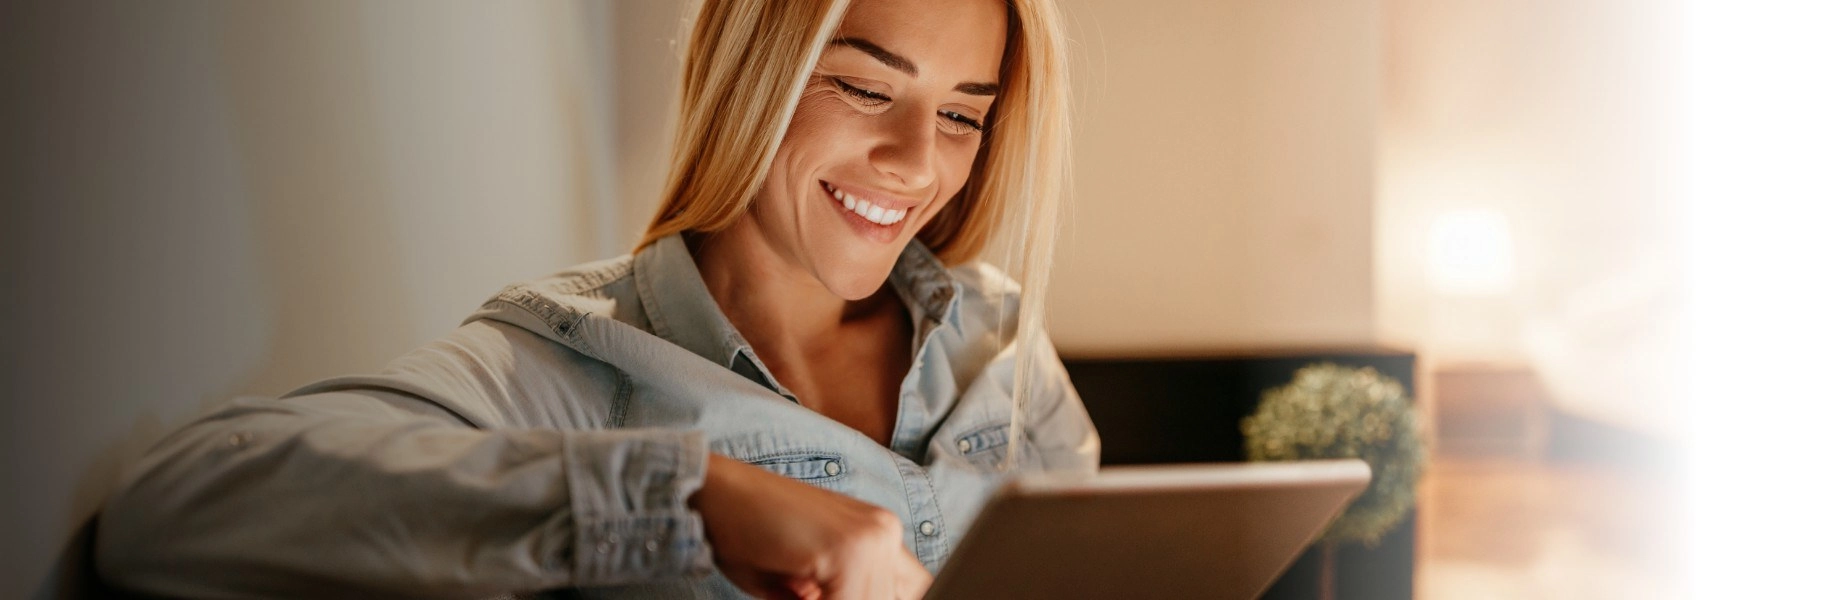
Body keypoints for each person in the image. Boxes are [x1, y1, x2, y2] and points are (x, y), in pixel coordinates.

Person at [92, 0, 1097, 598]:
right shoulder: (572, 358)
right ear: (752, 77)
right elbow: (170, 509)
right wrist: (698, 496)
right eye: (865, 90)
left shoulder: (1002, 342)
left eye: (965, 114)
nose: (920, 163)